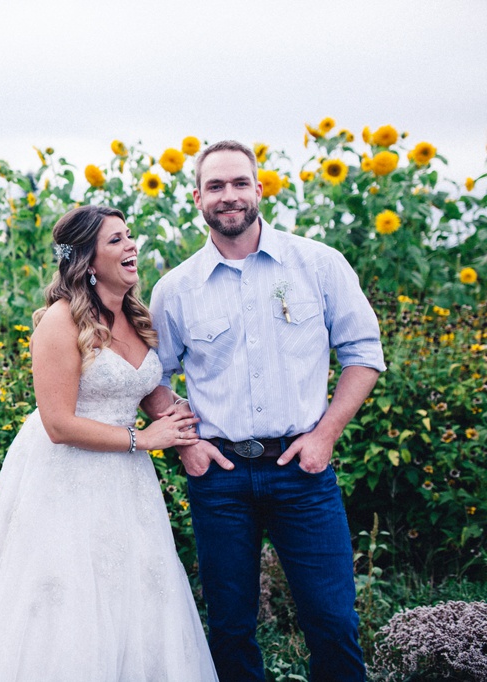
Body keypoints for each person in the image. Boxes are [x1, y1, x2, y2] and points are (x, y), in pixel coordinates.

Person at [0, 205, 217, 681]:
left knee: (135, 593)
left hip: (127, 481)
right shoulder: (59, 323)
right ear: (86, 260)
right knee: (69, 598)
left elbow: (142, 388)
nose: (132, 248)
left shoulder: (134, 314)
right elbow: (58, 423)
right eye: (117, 241)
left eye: (130, 237)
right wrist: (143, 439)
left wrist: (180, 414)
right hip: (68, 477)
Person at [144, 140, 385, 682]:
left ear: (258, 188)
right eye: (215, 186)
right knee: (229, 627)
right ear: (197, 198)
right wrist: (189, 443)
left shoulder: (318, 265)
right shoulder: (176, 289)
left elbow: (365, 354)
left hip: (302, 470)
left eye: (238, 183)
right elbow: (150, 374)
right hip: (220, 479)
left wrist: (325, 436)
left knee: (332, 621)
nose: (228, 196)